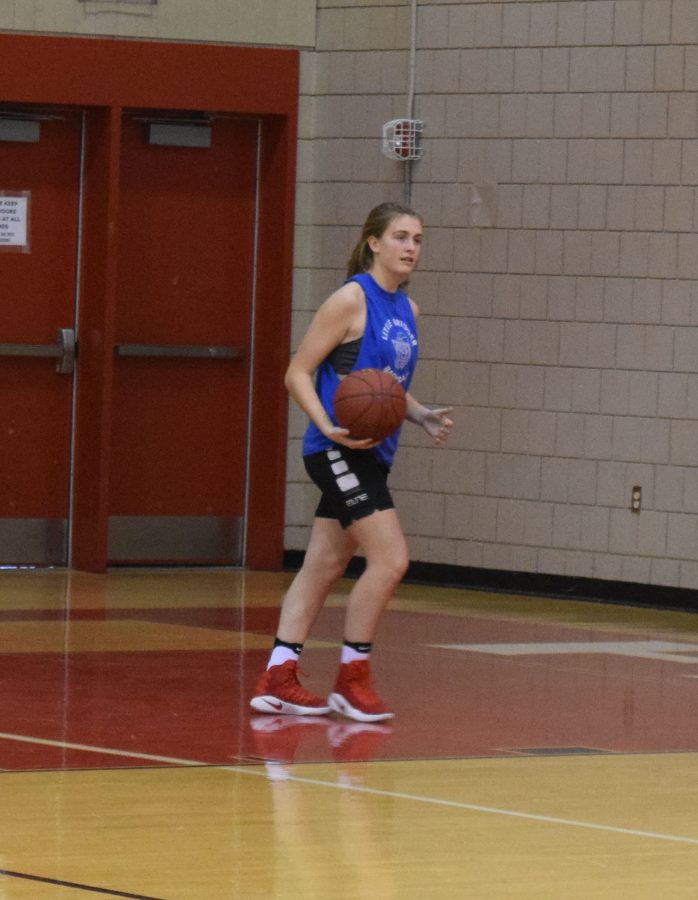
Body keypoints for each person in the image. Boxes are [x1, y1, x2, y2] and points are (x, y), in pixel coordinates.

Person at [250, 202, 452, 723]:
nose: (412, 247)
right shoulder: (350, 299)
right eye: (402, 237)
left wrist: (420, 414)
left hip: (373, 455)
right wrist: (324, 424)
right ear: (374, 243)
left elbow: (381, 387)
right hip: (337, 450)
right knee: (391, 559)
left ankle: (278, 677)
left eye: (419, 239)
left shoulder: (408, 310)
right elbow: (298, 372)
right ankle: (352, 678)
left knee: (323, 564)